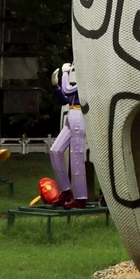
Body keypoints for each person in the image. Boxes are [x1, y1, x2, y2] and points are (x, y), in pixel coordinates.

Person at [49, 62, 87, 208]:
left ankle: (81, 197)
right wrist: (55, 86)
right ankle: (65, 191)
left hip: (79, 115)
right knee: (55, 150)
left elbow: (68, 89)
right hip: (71, 114)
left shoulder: (86, 80)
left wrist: (64, 74)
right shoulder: (78, 83)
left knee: (76, 156)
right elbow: (64, 99)